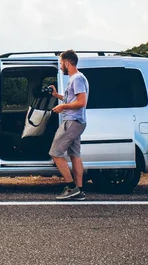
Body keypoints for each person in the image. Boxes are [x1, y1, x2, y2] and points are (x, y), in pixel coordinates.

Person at [48, 50, 89, 200]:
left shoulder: (77, 79)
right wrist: (57, 96)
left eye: (60, 63)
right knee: (74, 155)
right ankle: (80, 191)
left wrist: (63, 107)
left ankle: (71, 188)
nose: (60, 67)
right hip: (77, 122)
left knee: (55, 153)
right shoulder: (77, 78)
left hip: (72, 122)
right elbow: (72, 98)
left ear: (67, 63)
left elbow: (81, 102)